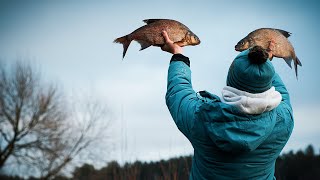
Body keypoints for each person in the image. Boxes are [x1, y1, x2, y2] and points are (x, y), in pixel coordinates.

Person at [161, 31, 294, 180]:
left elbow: (178, 91)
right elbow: (282, 94)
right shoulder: (283, 121)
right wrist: (264, 67)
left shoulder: (200, 118)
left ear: (231, 79)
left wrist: (178, 55)